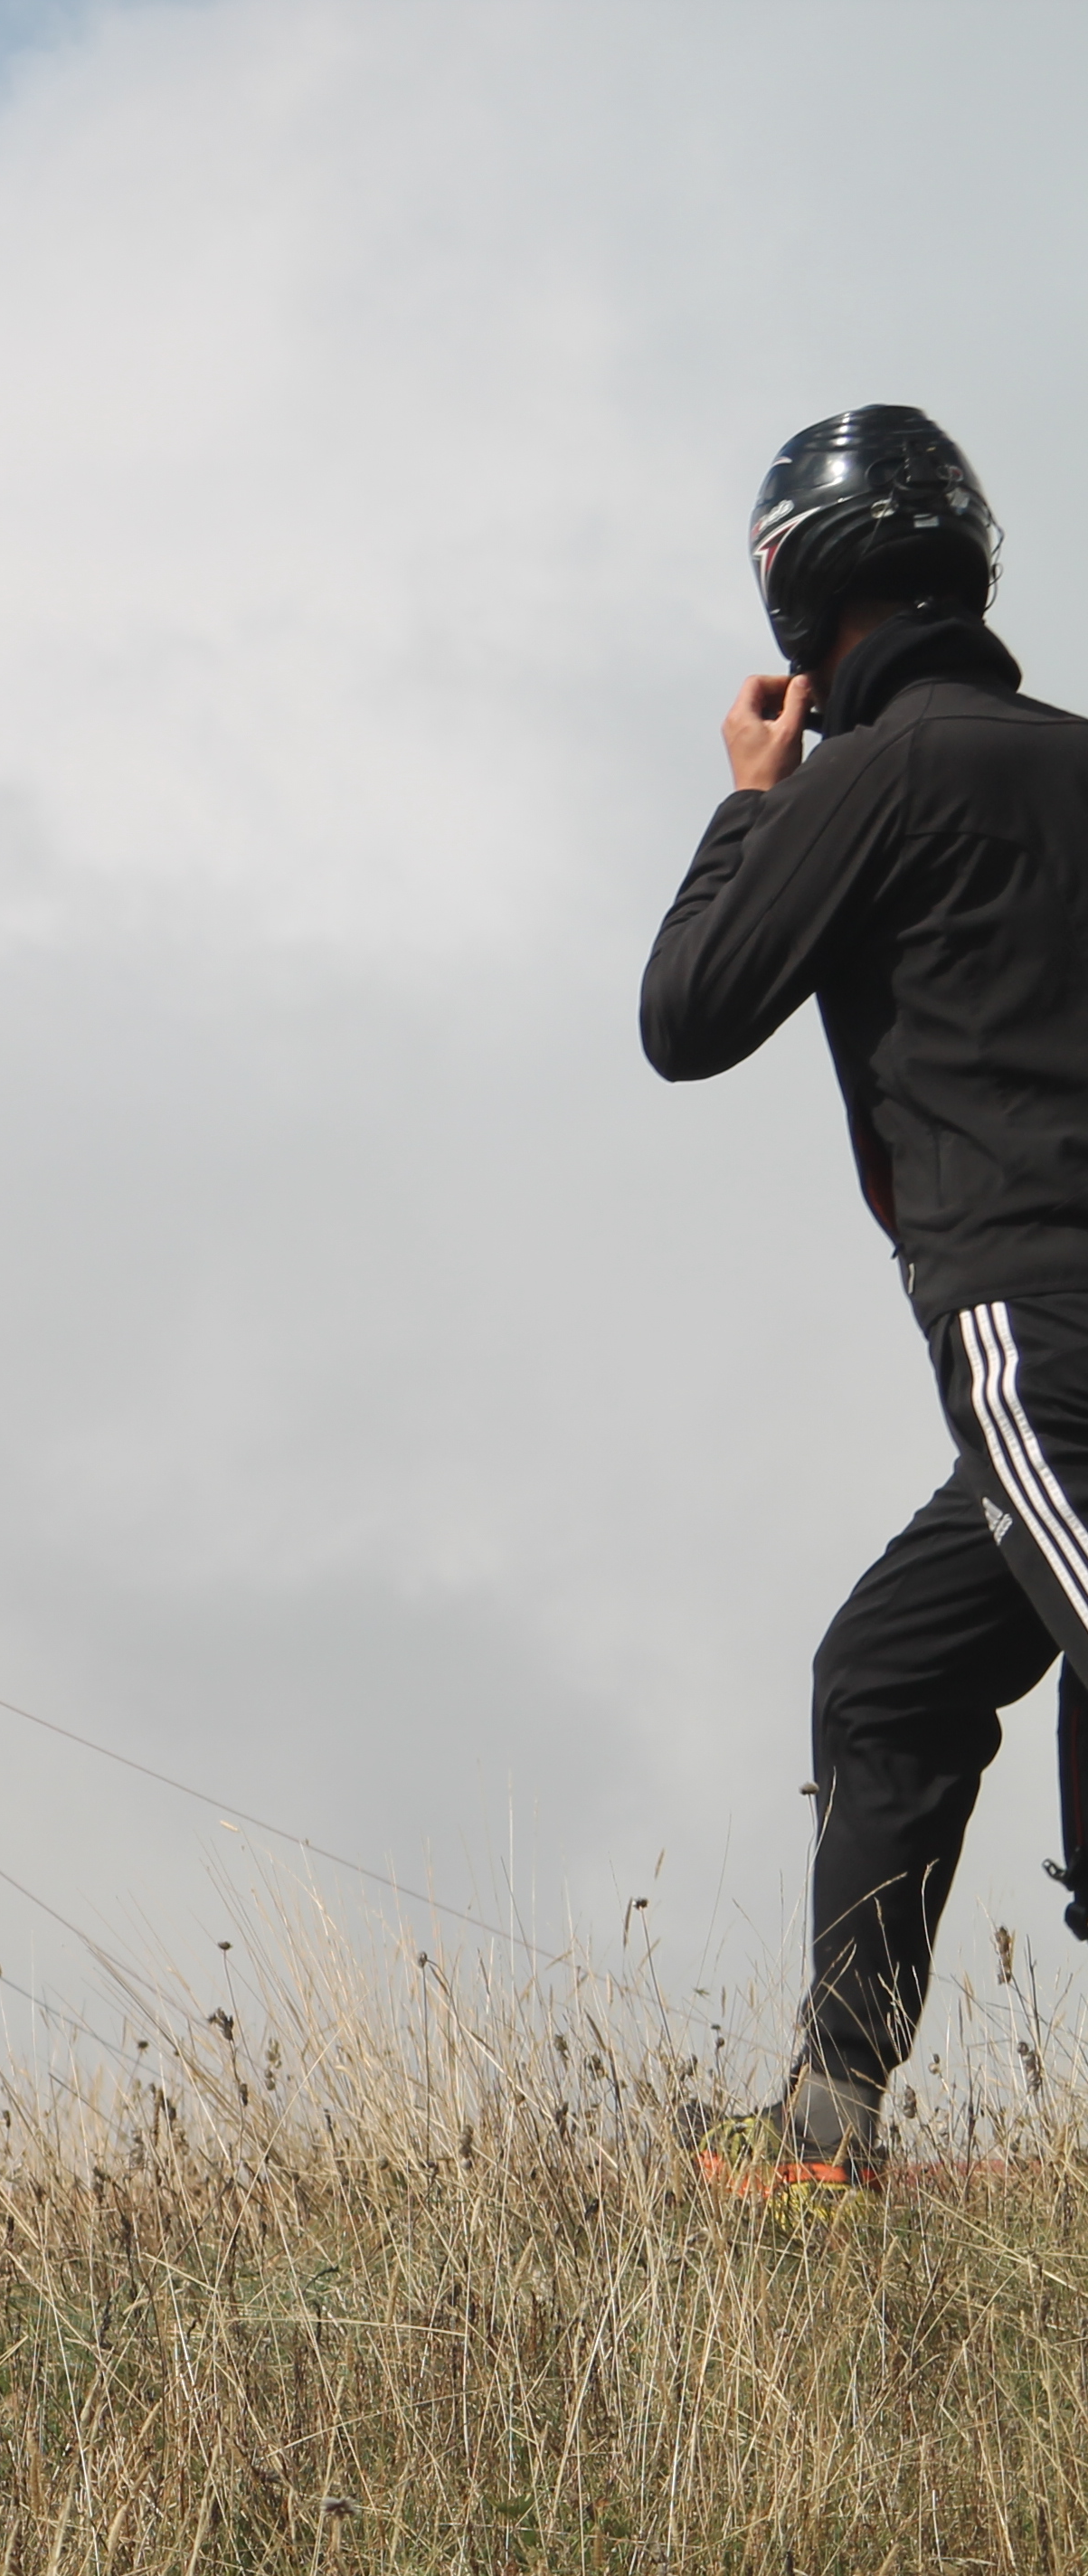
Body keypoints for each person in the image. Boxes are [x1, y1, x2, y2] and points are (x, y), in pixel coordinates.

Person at [643, 405, 1088, 2205]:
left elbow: (691, 1010)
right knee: (893, 1671)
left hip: (1037, 1309)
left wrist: (748, 806)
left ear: (802, 602)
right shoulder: (1066, 757)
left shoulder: (874, 780)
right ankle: (829, 2124)